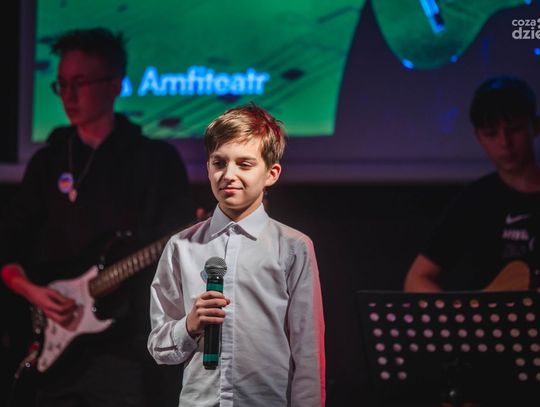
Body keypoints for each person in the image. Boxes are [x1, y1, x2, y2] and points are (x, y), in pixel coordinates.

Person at [0, 27, 194, 406]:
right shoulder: (48, 161)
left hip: (124, 351)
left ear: (115, 85)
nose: (68, 96)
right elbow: (9, 244)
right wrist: (31, 291)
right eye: (61, 85)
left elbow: (178, 255)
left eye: (80, 83)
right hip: (51, 347)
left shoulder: (155, 160)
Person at [147, 104, 326, 406]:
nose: (228, 175)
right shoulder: (182, 246)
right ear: (208, 168)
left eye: (244, 164)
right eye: (219, 163)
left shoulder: (293, 247)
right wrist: (189, 325)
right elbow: (158, 346)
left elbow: (308, 353)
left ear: (271, 174)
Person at [404, 76, 540, 292]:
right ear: (478, 137)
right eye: (491, 133)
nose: (505, 143)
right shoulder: (475, 199)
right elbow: (417, 278)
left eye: (514, 129)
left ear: (535, 127)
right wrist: (460, 312)